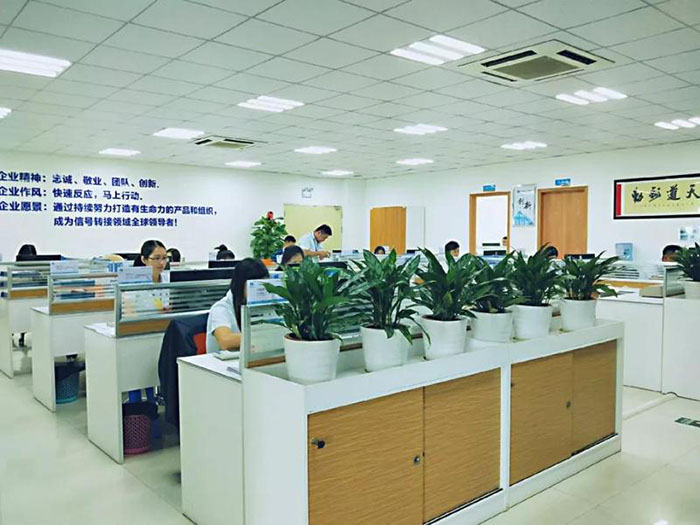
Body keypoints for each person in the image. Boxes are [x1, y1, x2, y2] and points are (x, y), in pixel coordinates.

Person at [206, 258, 269, 353]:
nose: (260, 292)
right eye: (255, 286)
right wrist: (268, 336)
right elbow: (225, 341)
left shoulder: (259, 305)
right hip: (223, 361)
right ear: (240, 285)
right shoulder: (221, 308)